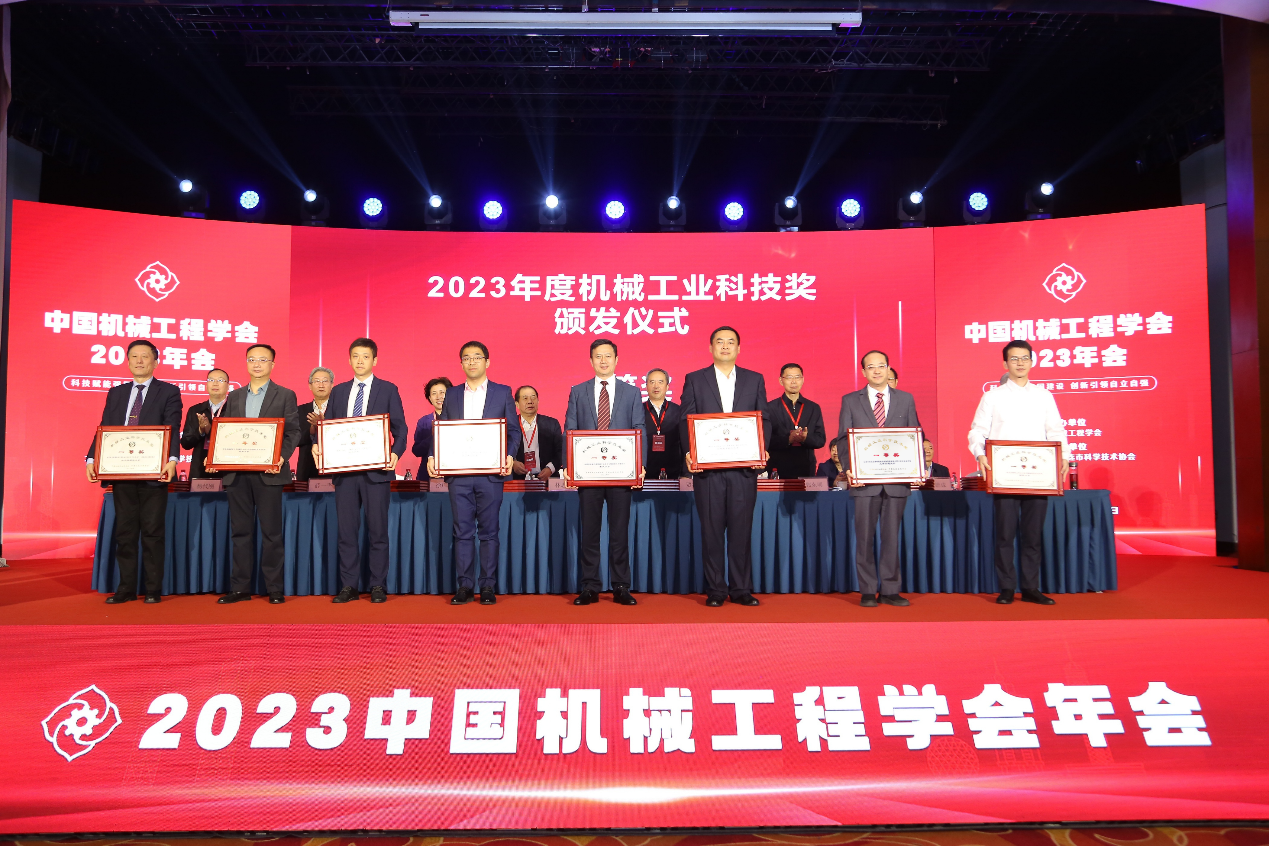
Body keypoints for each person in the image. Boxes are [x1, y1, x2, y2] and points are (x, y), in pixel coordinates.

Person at [968, 339, 1070, 606]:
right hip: (1005, 474)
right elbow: (978, 430)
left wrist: (1065, 456)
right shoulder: (992, 396)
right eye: (1014, 359)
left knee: (1033, 535)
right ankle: (1006, 587)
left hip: (1039, 475)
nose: (1020, 363)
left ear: (1032, 362)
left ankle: (1030, 587)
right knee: (1005, 534)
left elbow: (1056, 430)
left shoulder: (1044, 395)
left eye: (1025, 358)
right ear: (1005, 364)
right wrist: (980, 453)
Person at [678, 326, 771, 607]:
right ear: (711, 348)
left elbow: (764, 419)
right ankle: (716, 590)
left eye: (731, 342)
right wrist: (690, 453)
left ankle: (741, 589)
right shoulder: (695, 379)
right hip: (708, 471)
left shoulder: (754, 379)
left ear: (739, 348)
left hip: (744, 470)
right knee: (712, 531)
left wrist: (761, 449)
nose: (726, 346)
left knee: (742, 531)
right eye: (720, 342)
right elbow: (685, 419)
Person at [85, 339, 182, 604]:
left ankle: (152, 589)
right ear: (127, 361)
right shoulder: (116, 393)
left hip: (153, 472)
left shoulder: (168, 391)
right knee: (125, 533)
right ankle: (126, 588)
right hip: (122, 471)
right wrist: (92, 458)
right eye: (134, 357)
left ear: (155, 362)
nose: (139, 361)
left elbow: (172, 426)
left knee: (152, 532)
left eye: (145, 356)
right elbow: (105, 427)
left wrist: (172, 459)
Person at [316, 338, 409, 604]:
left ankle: (378, 585)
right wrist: (316, 444)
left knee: (378, 531)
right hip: (344, 472)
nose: (360, 361)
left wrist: (395, 453)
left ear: (374, 360)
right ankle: (349, 586)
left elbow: (401, 428)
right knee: (346, 532)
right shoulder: (339, 391)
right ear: (349, 360)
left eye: (365, 356)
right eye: (355, 356)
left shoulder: (388, 389)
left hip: (376, 472)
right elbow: (327, 427)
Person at [427, 341, 520, 606]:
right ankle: (465, 586)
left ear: (487, 362)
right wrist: (433, 455)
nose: (472, 362)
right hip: (459, 474)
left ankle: (487, 586)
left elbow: (513, 431)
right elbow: (441, 428)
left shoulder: (503, 392)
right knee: (462, 532)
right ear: (461, 364)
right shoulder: (452, 394)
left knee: (489, 532)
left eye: (477, 357)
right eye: (466, 358)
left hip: (491, 473)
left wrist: (509, 455)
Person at [561, 339, 647, 606]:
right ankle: (590, 586)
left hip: (622, 473)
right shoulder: (578, 391)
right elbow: (570, 429)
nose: (603, 361)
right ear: (591, 361)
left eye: (608, 356)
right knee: (590, 532)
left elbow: (639, 428)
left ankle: (621, 586)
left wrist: (640, 465)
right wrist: (567, 465)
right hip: (588, 473)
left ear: (617, 360)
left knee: (619, 532)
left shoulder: (632, 393)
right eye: (598, 356)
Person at [215, 345, 301, 605]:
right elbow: (226, 432)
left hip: (269, 473)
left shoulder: (285, 395)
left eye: (263, 360)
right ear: (246, 363)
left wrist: (280, 457)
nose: (257, 364)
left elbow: (293, 431)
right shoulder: (234, 396)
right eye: (252, 359)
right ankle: (240, 588)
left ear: (272, 364)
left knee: (271, 533)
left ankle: (274, 588)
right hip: (238, 473)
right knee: (240, 532)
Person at [838, 350, 923, 608]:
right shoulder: (850, 400)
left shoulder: (905, 399)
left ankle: (890, 589)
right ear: (863, 372)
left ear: (888, 369)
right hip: (864, 481)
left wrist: (917, 467)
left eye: (881, 366)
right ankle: (866, 589)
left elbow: (915, 435)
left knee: (891, 537)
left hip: (896, 481)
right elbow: (843, 439)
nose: (877, 371)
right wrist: (850, 468)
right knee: (864, 538)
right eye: (871, 367)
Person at [765, 363, 826, 479]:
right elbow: (765, 441)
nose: (794, 381)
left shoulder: (813, 408)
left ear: (803, 380)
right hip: (778, 467)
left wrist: (805, 438)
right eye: (789, 377)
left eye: (797, 377)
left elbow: (820, 440)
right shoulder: (769, 408)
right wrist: (788, 439)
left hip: (806, 467)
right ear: (781, 380)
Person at [180, 368, 230, 481]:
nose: (215, 383)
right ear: (206, 385)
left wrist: (209, 429)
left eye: (220, 380)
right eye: (211, 380)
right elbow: (186, 443)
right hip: (199, 470)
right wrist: (200, 430)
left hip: (227, 471)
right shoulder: (195, 410)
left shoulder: (234, 410)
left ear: (228, 386)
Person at [512, 385, 563, 480]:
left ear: (538, 401)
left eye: (533, 397)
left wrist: (550, 469)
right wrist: (513, 463)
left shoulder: (552, 424)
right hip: (517, 480)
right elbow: (501, 452)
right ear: (517, 404)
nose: (530, 401)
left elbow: (561, 451)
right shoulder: (510, 425)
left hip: (547, 479)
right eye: (525, 398)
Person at [643, 368, 684, 480]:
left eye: (660, 382)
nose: (656, 386)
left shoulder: (679, 410)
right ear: (646, 386)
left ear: (667, 386)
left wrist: (685, 474)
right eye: (652, 382)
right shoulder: (638, 411)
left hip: (675, 473)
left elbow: (685, 443)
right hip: (644, 473)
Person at [296, 366, 333, 482]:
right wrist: (313, 429)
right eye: (316, 381)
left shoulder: (339, 409)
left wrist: (323, 426)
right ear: (310, 386)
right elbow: (295, 439)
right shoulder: (299, 410)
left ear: (332, 385)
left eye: (325, 381)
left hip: (334, 468)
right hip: (307, 468)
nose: (321, 385)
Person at [411, 377, 452, 471]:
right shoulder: (423, 421)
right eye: (434, 393)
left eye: (442, 392)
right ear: (430, 398)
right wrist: (434, 436)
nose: (438, 396)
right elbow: (416, 451)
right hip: (428, 473)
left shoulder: (459, 419)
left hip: (453, 473)